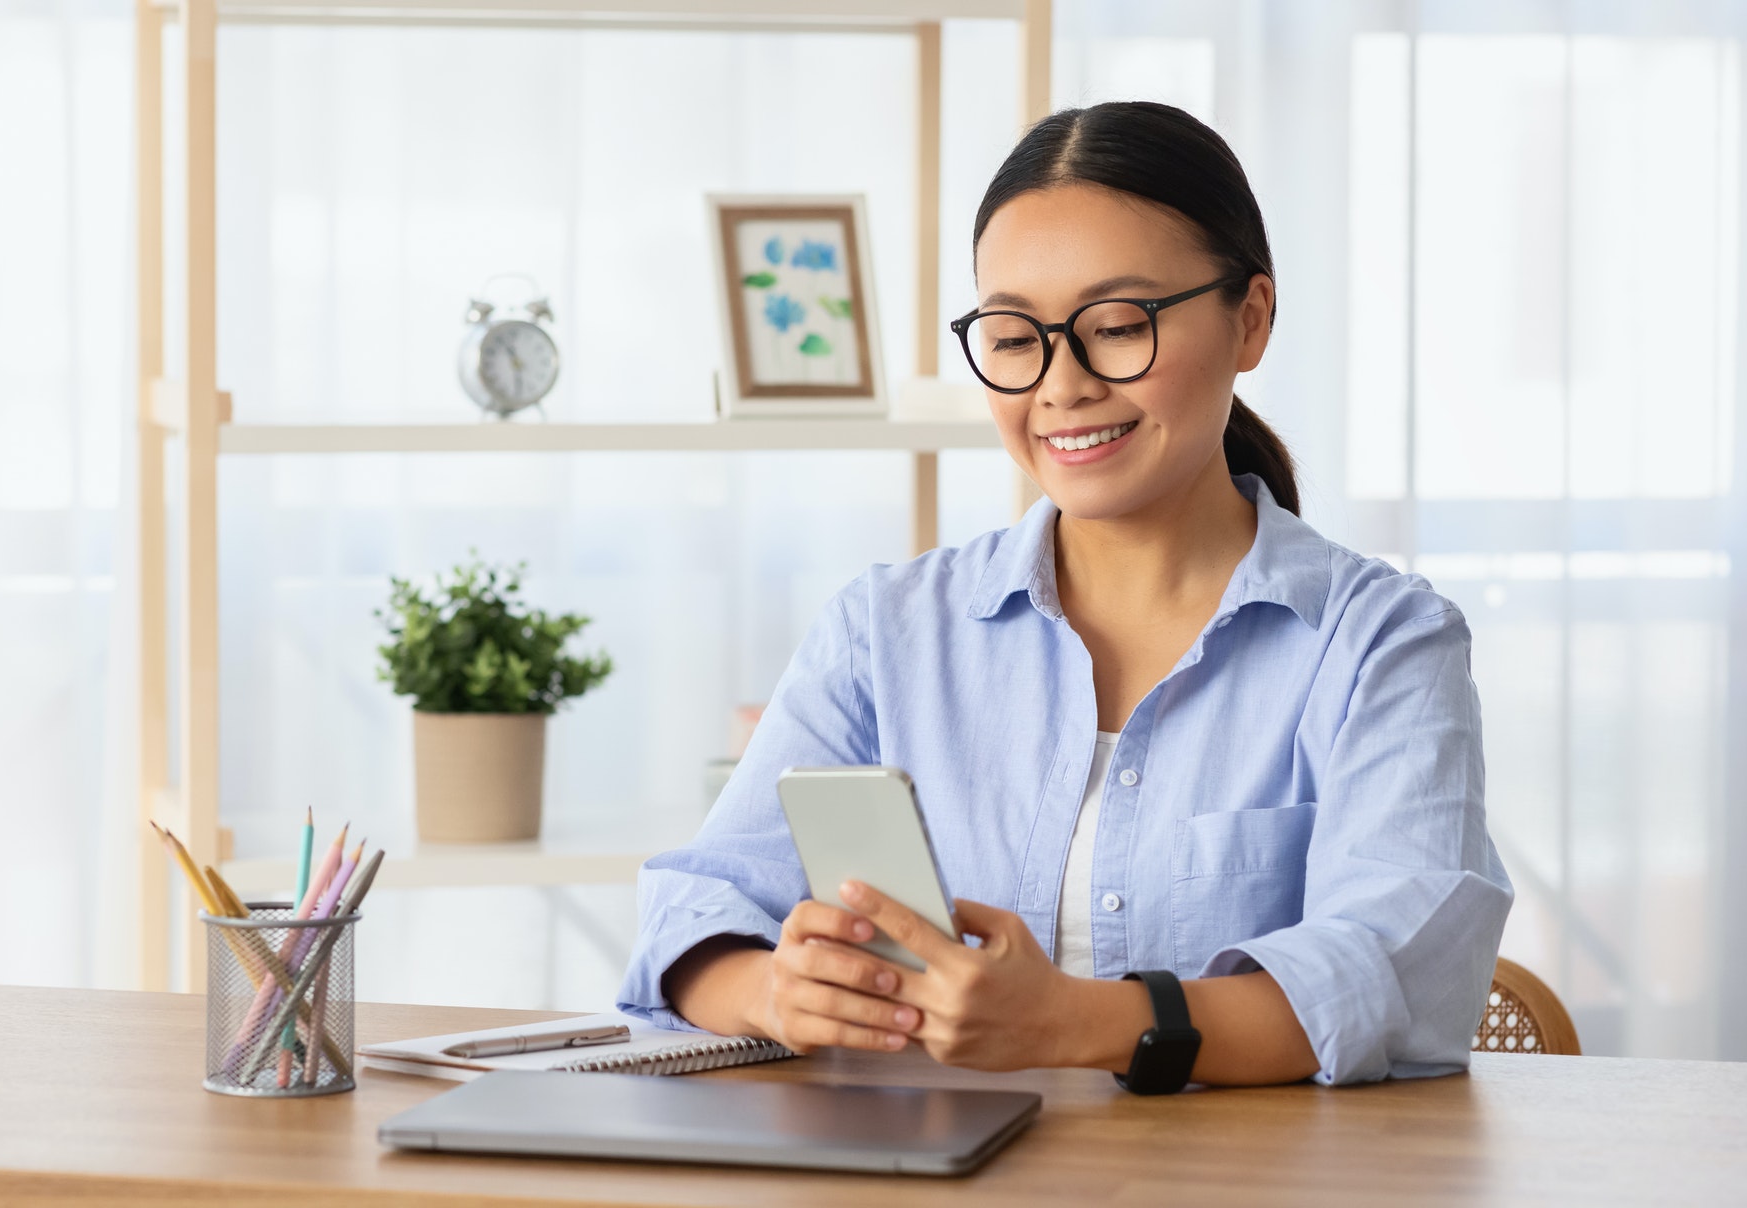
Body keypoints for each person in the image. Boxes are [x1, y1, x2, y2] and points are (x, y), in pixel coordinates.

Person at [617, 101, 1512, 1088]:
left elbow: (1392, 981)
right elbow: (695, 906)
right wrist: (774, 992)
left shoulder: (1379, 642)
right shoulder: (888, 630)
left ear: (1248, 318)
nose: (1060, 384)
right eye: (1012, 337)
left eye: (1116, 325)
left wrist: (1072, 1020)